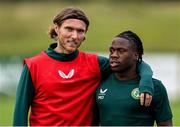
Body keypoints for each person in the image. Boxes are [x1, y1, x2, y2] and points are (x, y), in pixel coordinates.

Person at [13, 7, 154, 126]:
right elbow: (20, 113)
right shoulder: (34, 65)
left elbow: (133, 63)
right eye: (69, 29)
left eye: (80, 31)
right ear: (57, 28)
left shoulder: (95, 64)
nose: (74, 36)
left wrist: (146, 81)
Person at [96, 30, 173, 126]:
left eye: (121, 51)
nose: (114, 55)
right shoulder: (100, 82)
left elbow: (165, 125)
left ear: (136, 55)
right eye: (112, 50)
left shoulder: (155, 87)